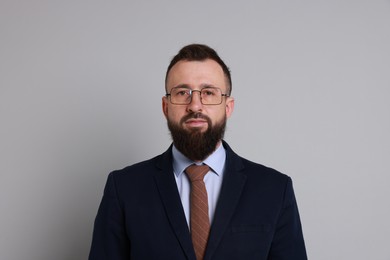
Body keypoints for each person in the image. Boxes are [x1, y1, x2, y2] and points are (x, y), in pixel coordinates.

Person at [89, 44, 307, 260]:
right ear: (166, 107)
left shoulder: (275, 190)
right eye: (183, 92)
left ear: (228, 107)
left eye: (209, 92)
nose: (195, 105)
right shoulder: (124, 188)